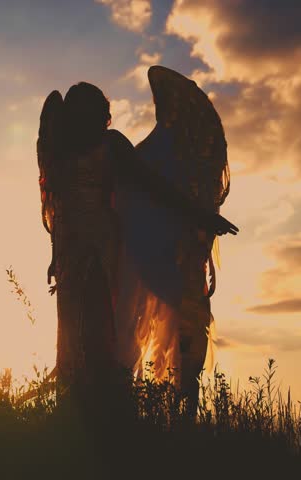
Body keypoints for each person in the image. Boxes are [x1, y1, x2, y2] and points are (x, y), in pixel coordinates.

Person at [36, 82, 236, 402]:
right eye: (80, 111)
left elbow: (152, 184)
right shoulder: (61, 150)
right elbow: (57, 206)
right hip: (70, 250)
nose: (87, 118)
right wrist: (54, 255)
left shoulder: (111, 145)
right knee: (71, 333)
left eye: (93, 111)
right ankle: (75, 406)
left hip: (103, 245)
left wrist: (200, 215)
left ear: (102, 116)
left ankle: (108, 404)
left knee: (101, 326)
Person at [114, 65, 233, 413]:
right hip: (163, 255)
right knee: (179, 337)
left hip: (174, 257)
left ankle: (177, 419)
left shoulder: (166, 152)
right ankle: (169, 419)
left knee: (184, 339)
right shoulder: (158, 151)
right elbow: (145, 187)